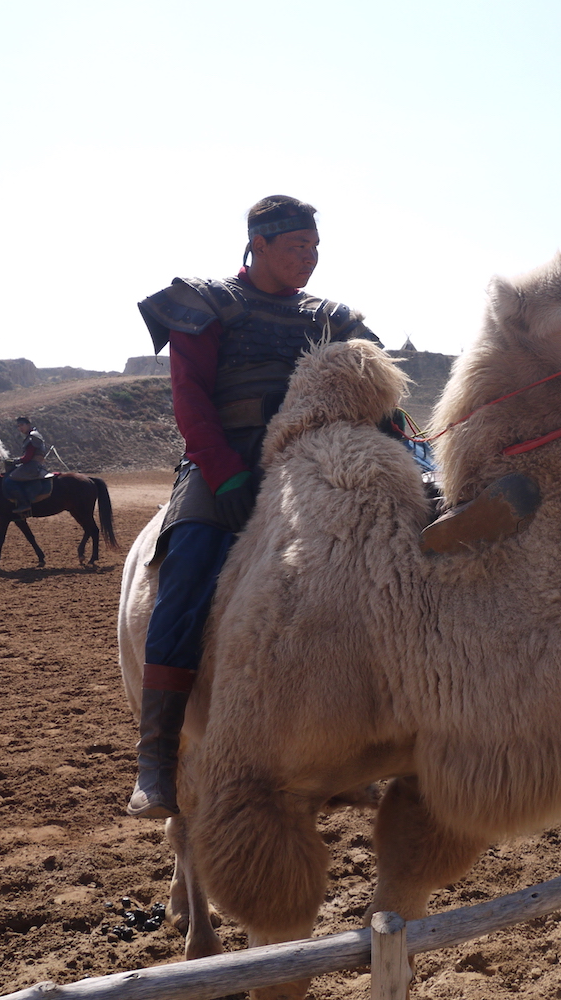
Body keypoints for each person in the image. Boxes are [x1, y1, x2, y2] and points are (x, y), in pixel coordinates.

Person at [127, 195, 381, 819]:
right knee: (185, 576)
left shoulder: (334, 318)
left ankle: (355, 739)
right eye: (298, 247)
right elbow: (191, 405)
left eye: (316, 248)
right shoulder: (206, 302)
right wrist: (227, 476)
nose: (310, 260)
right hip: (225, 466)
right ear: (258, 245)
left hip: (316, 461)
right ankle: (158, 758)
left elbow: (376, 383)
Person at [5, 417, 51, 516]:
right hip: (33, 464)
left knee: (9, 480)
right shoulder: (33, 435)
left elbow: (27, 458)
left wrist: (13, 461)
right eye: (18, 426)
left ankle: (24, 504)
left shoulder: (32, 436)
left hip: (32, 466)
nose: (20, 428)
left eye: (22, 425)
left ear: (28, 424)